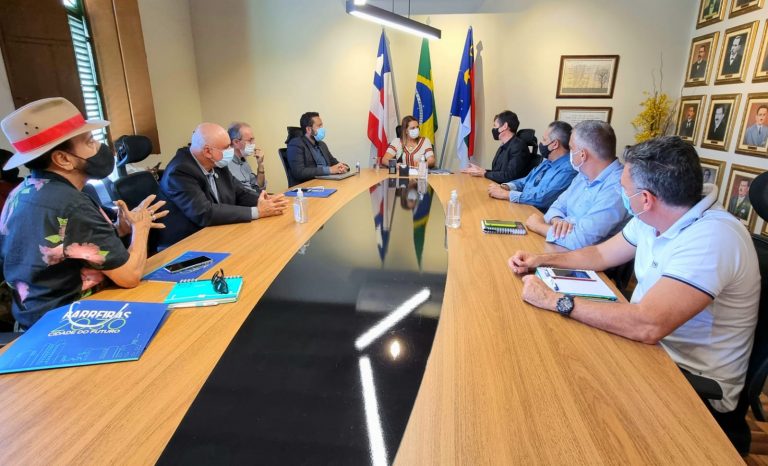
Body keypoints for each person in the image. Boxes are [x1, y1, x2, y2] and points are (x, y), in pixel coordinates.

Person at [508, 136, 759, 454]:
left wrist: (554, 300)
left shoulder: (713, 237)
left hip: (688, 379)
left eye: (624, 190)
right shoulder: (656, 216)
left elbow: (647, 324)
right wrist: (541, 259)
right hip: (647, 349)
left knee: (571, 406)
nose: (622, 196)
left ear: (646, 199)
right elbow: (600, 254)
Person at [0, 97, 167, 329]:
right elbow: (129, 276)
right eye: (90, 142)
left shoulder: (22, 191)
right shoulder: (71, 203)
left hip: (32, 319)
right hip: (70, 321)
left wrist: (119, 229)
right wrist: (141, 227)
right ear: (63, 159)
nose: (100, 147)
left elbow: (68, 245)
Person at [158, 123, 287, 248]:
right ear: (207, 151)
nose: (231, 150)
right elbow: (204, 212)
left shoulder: (217, 163)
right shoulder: (180, 171)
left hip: (218, 232)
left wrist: (266, 201)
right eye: (226, 147)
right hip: (188, 243)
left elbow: (239, 192)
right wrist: (257, 212)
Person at [525, 120, 629, 250]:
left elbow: (581, 240)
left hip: (586, 258)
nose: (569, 153)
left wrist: (539, 226)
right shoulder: (583, 174)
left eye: (571, 148)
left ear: (582, 154)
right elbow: (557, 206)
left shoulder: (618, 187)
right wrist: (558, 221)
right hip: (561, 247)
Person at [487, 121, 577, 212]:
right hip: (524, 207)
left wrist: (506, 194)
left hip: (537, 214)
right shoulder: (547, 162)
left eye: (544, 140)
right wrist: (506, 186)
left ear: (555, 144)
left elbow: (543, 199)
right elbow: (525, 181)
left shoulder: (568, 170)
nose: (541, 143)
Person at [462, 110, 533, 183]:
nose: (493, 129)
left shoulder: (518, 147)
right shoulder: (504, 145)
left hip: (507, 188)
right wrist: (482, 171)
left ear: (505, 126)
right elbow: (498, 172)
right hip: (497, 185)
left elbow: (509, 176)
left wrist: (484, 173)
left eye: (495, 126)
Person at [286, 112, 348, 183]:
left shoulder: (322, 144)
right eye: (319, 126)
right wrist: (329, 170)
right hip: (309, 185)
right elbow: (299, 172)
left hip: (327, 181)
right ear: (308, 129)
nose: (322, 129)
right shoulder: (296, 144)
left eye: (322, 125)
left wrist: (343, 167)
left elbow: (333, 162)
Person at [225, 122, 266, 192]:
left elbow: (259, 187)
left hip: (255, 197)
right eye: (250, 140)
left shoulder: (243, 161)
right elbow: (241, 194)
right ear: (236, 142)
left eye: (253, 140)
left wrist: (260, 164)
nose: (253, 144)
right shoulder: (226, 164)